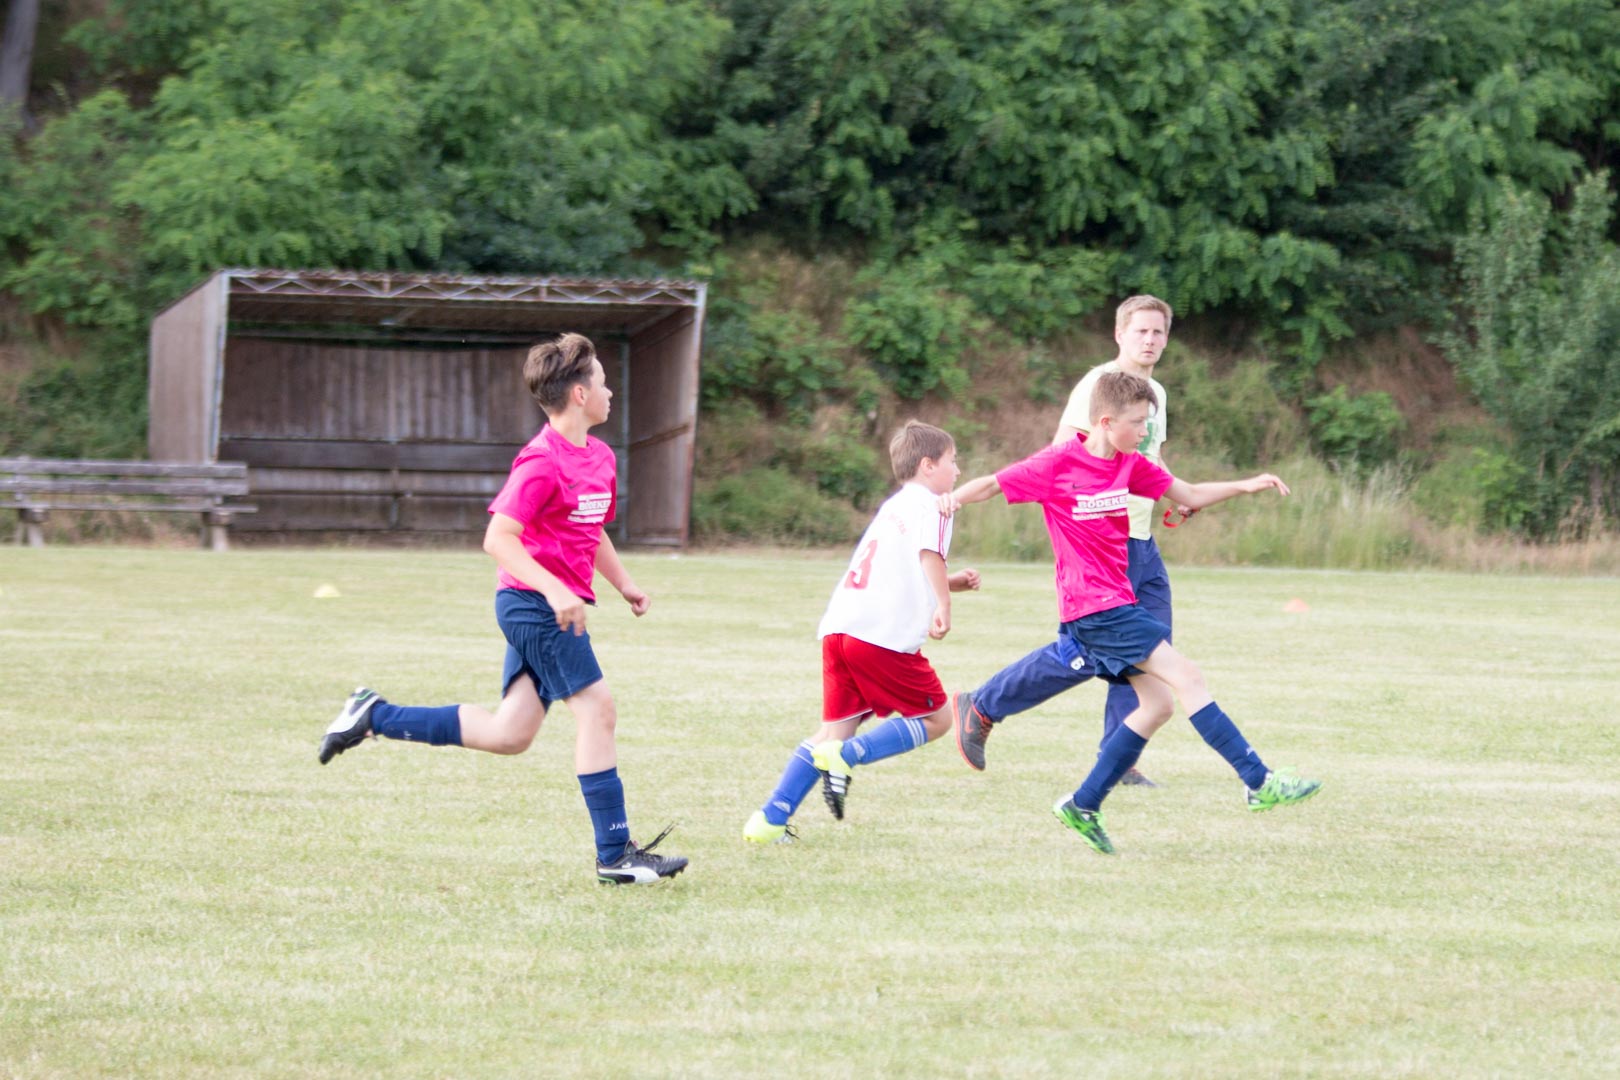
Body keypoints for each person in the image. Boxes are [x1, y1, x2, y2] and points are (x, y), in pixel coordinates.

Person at [317, 332, 688, 886]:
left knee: (509, 734)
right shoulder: (540, 461)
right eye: (603, 382)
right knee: (598, 710)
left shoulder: (600, 457)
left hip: (548, 605)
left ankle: (374, 715)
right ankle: (615, 856)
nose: (610, 392)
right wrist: (556, 590)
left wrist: (625, 585)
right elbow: (499, 538)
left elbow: (590, 530)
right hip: (532, 606)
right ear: (580, 394)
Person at [944, 371, 1320, 854]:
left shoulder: (1129, 465)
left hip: (1117, 601)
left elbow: (1188, 494)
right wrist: (948, 502)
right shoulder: (1058, 463)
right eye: (1138, 423)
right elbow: (992, 485)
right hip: (1095, 609)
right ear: (1106, 422)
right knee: (1187, 677)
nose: (1144, 432)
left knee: (1158, 705)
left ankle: (1083, 805)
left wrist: (1246, 486)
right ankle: (1258, 781)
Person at [952, 295, 1179, 786]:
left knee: (1150, 649)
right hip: (1102, 546)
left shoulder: (1155, 392)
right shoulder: (1098, 385)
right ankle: (983, 704)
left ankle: (1119, 759)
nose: (1149, 340)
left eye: (1158, 332)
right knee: (1088, 653)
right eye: (1140, 330)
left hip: (1140, 539)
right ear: (1119, 334)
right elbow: (1062, 456)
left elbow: (1150, 459)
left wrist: (1175, 495)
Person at [742, 421, 981, 843]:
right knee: (938, 719)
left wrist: (950, 584)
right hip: (880, 637)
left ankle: (769, 821)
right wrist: (944, 604)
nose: (958, 471)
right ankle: (849, 756)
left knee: (832, 732)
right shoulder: (934, 506)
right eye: (952, 461)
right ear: (928, 466)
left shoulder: (894, 507)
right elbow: (930, 554)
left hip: (840, 629)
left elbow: (901, 566)